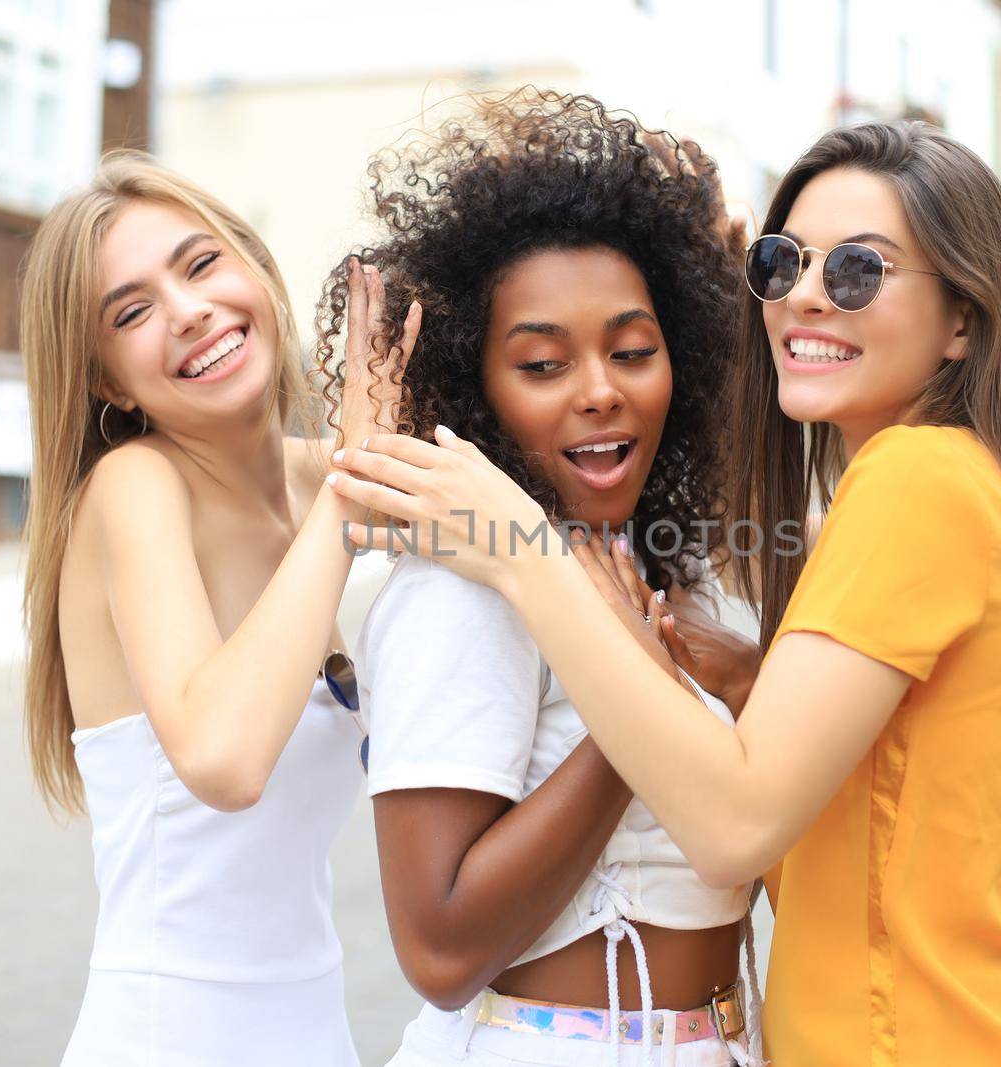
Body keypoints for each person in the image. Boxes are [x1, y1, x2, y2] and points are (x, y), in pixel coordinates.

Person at [328, 119, 1001, 1066]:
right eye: (782, 267)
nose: (807, 300)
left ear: (962, 317)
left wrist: (533, 561)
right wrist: (727, 676)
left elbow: (734, 822)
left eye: (859, 272)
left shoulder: (918, 481)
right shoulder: (923, 486)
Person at [315, 89, 765, 1065]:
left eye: (633, 350)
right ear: (476, 390)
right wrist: (639, 692)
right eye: (542, 362)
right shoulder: (463, 592)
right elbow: (438, 946)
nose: (599, 386)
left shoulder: (683, 571)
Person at [20, 150, 415, 1066]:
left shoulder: (326, 478)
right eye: (132, 310)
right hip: (169, 1036)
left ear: (254, 271)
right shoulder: (135, 487)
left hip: (314, 1030)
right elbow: (225, 759)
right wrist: (349, 500)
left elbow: (532, 526)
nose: (188, 309)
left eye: (200, 265)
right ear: (108, 381)